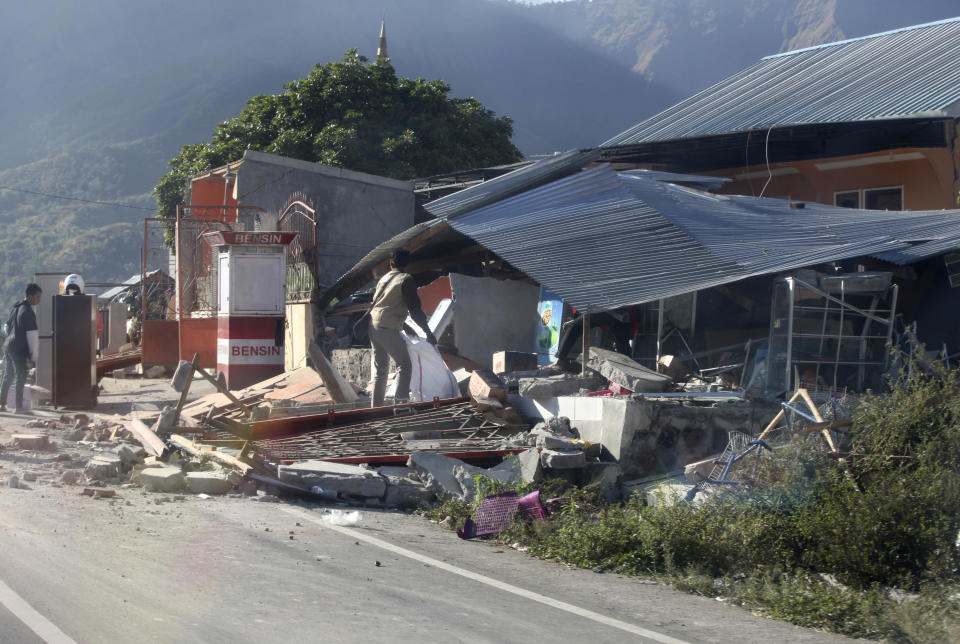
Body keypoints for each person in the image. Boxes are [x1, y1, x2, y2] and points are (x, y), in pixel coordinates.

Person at [368, 249, 436, 407]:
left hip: (373, 326)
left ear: (391, 264)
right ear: (408, 264)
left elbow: (385, 305)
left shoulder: (384, 278)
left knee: (381, 369)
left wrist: (405, 326)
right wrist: (428, 332)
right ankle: (401, 406)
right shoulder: (406, 280)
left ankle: (375, 408)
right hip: (387, 328)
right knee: (404, 365)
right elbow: (415, 310)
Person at [0, 283, 42, 413]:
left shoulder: (16, 307)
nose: (39, 300)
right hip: (19, 348)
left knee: (8, 375)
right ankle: (18, 407)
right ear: (30, 296)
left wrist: (9, 339)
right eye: (37, 296)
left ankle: (1, 405)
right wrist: (34, 355)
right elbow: (32, 336)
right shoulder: (28, 312)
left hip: (8, 346)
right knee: (21, 375)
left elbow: (6, 326)